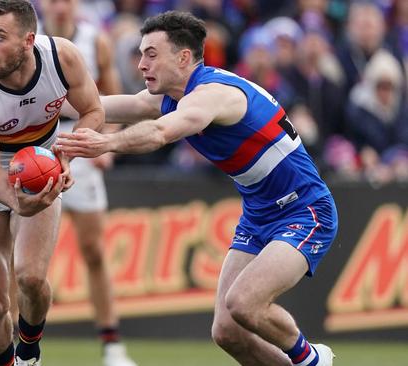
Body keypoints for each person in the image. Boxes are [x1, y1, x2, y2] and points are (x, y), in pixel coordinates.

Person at [56, 11, 338, 366]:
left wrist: (105, 144)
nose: (141, 64)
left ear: (184, 57)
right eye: (141, 53)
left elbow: (159, 133)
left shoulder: (212, 95)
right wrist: (36, 104)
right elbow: (100, 105)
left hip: (305, 209)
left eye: (151, 54)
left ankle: (313, 359)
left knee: (243, 303)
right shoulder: (170, 96)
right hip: (258, 215)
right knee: (227, 332)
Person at [0, 1, 104, 365]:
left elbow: (93, 111)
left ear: (28, 41)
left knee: (32, 279)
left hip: (42, 162)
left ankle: (30, 353)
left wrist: (66, 155)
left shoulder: (62, 57)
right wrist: (19, 203)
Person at [37, 0, 137, 365]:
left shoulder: (95, 41)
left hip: (80, 140)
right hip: (35, 146)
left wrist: (106, 143)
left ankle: (112, 345)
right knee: (23, 256)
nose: (59, 6)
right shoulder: (28, 42)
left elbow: (111, 100)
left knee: (94, 250)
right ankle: (12, 346)